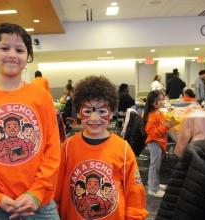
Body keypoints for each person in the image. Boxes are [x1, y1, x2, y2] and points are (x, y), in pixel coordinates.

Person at [0, 23, 61, 220]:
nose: (12, 54)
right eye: (4, 48)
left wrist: (36, 192)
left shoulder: (41, 97)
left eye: (20, 50)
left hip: (39, 201)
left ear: (27, 58)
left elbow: (52, 149)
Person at [55, 76, 148, 220]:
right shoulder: (68, 147)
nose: (94, 118)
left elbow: (135, 193)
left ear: (112, 113)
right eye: (87, 111)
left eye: (102, 112)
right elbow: (56, 190)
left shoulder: (123, 149)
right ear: (79, 112)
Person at [143, 90, 177, 197]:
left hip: (160, 142)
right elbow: (152, 132)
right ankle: (153, 189)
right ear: (153, 102)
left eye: (163, 99)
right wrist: (167, 126)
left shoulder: (159, 113)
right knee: (155, 166)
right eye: (160, 99)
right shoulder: (152, 115)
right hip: (155, 143)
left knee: (157, 165)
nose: (163, 101)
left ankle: (154, 184)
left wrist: (169, 122)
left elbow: (162, 125)